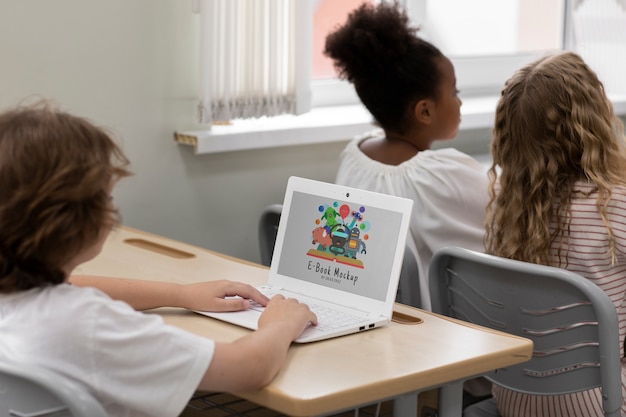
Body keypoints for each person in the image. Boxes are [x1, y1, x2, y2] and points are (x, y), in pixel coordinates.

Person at [0, 102, 317, 417]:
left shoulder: (18, 292)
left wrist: (179, 294)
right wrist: (281, 325)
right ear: (76, 221)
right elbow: (249, 369)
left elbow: (74, 285)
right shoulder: (88, 323)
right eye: (108, 197)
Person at [483, 51, 626, 417]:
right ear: (595, 121)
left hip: (514, 396)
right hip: (600, 400)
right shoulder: (615, 206)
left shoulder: (506, 204)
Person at [324, 1, 489, 311]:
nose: (460, 103)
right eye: (454, 92)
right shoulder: (442, 173)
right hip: (436, 328)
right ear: (425, 111)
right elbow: (503, 224)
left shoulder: (354, 154)